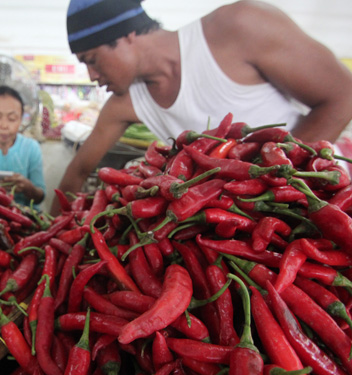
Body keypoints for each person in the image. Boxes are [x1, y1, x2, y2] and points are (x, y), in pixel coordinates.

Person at [52, 0, 352, 215]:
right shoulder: (125, 102)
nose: (91, 76)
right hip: (235, 219)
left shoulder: (236, 26)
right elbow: (77, 171)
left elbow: (343, 94)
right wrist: (50, 234)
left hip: (320, 200)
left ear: (127, 35)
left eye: (91, 60)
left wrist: (277, 180)